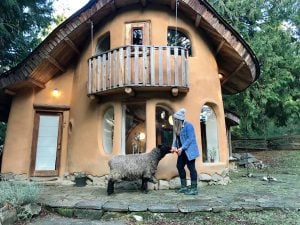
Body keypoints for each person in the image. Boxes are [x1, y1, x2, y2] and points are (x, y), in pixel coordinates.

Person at [171, 108, 200, 195]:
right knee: (179, 166)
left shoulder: (189, 126)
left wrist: (182, 148)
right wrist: (174, 147)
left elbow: (190, 139)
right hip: (182, 151)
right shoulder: (177, 127)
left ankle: (194, 189)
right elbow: (175, 138)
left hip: (189, 151)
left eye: (175, 120)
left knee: (191, 169)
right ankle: (184, 187)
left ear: (179, 120)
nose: (174, 121)